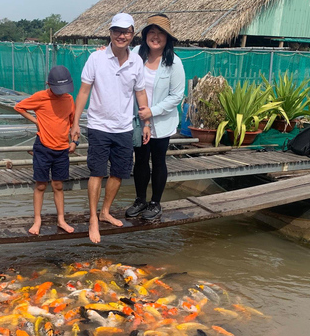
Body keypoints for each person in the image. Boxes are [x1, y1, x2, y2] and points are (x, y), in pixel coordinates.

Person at [71, 13, 150, 244]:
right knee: (97, 172)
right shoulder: (96, 59)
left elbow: (141, 92)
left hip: (124, 127)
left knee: (119, 172)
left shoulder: (136, 62)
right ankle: (93, 218)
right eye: (117, 31)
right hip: (98, 125)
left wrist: (146, 123)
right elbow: (84, 91)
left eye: (126, 31)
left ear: (132, 35)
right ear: (110, 33)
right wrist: (75, 123)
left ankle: (106, 211)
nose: (121, 35)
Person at [125, 14, 185, 221]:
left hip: (161, 121)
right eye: (152, 32)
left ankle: (155, 202)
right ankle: (140, 199)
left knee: (158, 160)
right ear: (145, 35)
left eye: (161, 34)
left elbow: (177, 96)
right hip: (138, 120)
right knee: (140, 159)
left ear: (167, 38)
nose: (156, 37)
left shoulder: (174, 63)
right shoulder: (135, 54)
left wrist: (153, 111)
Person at [14, 65, 77, 236]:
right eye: (57, 89)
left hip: (62, 148)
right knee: (41, 185)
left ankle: (61, 219)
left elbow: (72, 123)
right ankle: (37, 220)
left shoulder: (69, 99)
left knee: (58, 185)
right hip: (43, 147)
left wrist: (75, 141)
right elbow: (19, 107)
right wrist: (36, 121)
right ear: (48, 84)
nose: (60, 93)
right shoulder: (40, 97)